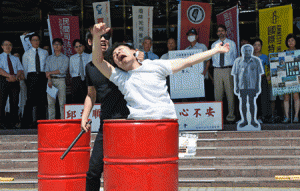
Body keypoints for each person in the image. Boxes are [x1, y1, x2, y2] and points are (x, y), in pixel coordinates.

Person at [91, 23, 230, 120]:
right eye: (114, 56)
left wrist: (215, 50)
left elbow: (188, 61)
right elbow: (98, 61)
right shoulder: (121, 78)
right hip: (139, 124)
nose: (117, 54)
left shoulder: (156, 65)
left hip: (166, 122)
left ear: (134, 51)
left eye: (121, 49)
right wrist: (96, 36)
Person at [81, 28, 143, 191]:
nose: (103, 40)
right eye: (98, 37)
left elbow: (135, 62)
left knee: (131, 169)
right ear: (89, 42)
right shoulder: (89, 68)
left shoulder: (118, 61)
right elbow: (91, 95)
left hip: (129, 123)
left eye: (106, 37)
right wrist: (84, 117)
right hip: (106, 125)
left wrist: (136, 56)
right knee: (93, 171)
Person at [232, 44, 264, 128]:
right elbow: (235, 75)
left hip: (252, 85)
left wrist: (257, 86)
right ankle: (245, 120)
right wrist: (236, 86)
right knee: (243, 102)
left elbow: (258, 75)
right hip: (242, 85)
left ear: (252, 51)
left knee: (251, 102)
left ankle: (253, 120)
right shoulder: (237, 61)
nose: (248, 52)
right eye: (246, 50)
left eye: (249, 50)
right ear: (243, 51)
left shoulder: (256, 61)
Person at [211, 24, 237, 123]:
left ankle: (231, 116)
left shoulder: (232, 43)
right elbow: (213, 58)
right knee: (217, 94)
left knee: (230, 93)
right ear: (217, 33)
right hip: (217, 70)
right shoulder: (214, 45)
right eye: (219, 31)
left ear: (226, 32)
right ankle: (218, 117)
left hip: (228, 70)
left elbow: (234, 58)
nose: (220, 32)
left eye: (222, 30)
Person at [22, 33, 49, 128]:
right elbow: (25, 68)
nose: (36, 42)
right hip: (31, 77)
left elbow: (47, 66)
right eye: (34, 40)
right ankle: (26, 123)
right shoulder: (27, 53)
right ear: (30, 42)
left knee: (41, 100)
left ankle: (41, 122)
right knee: (30, 100)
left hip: (42, 76)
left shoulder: (44, 52)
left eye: (37, 40)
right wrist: (27, 80)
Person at [0, 40, 24, 129]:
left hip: (15, 81)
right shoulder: (0, 57)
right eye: (6, 45)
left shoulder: (15, 58)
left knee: (14, 102)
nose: (8, 47)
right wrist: (9, 76)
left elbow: (20, 69)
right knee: (1, 102)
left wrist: (16, 76)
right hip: (3, 80)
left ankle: (13, 123)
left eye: (10, 45)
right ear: (2, 47)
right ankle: (2, 123)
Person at [45, 38, 69, 119]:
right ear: (52, 46)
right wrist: (49, 80)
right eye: (55, 44)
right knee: (50, 103)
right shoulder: (49, 58)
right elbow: (46, 71)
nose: (56, 46)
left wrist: (50, 73)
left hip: (61, 80)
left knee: (62, 103)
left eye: (58, 44)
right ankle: (51, 121)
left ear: (62, 46)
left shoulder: (65, 58)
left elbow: (62, 70)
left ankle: (63, 120)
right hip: (51, 80)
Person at [185, 28, 212, 101]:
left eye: (192, 35)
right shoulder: (186, 50)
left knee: (203, 98)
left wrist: (205, 71)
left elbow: (208, 60)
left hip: (201, 77)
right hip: (191, 79)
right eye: (189, 35)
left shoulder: (202, 47)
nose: (191, 36)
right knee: (192, 98)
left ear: (197, 37)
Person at [252, 38, 272, 123]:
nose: (257, 47)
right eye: (255, 45)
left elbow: (271, 66)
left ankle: (262, 117)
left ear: (261, 47)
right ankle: (254, 117)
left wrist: (269, 76)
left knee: (263, 98)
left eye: (258, 45)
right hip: (252, 80)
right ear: (252, 46)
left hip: (262, 79)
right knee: (253, 99)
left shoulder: (264, 56)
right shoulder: (249, 57)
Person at [282, 33, 299, 123]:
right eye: (289, 41)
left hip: (296, 76)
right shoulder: (283, 52)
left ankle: (296, 116)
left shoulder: (299, 52)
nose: (290, 42)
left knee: (296, 96)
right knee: (286, 97)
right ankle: (287, 116)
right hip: (286, 77)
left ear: (295, 41)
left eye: (292, 40)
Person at [69, 39, 90, 104]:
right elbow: (71, 70)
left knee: (86, 97)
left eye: (80, 46)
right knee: (75, 98)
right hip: (76, 79)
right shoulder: (72, 58)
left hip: (86, 79)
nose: (78, 48)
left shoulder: (88, 56)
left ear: (84, 46)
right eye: (76, 47)